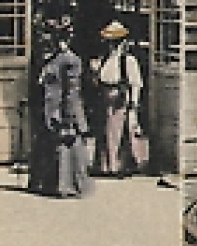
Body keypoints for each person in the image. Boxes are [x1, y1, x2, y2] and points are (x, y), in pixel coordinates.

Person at [37, 23, 93, 198]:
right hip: (51, 108)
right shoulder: (51, 59)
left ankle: (70, 185)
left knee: (68, 147)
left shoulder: (70, 60)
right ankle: (49, 183)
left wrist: (69, 116)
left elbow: (72, 91)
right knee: (51, 147)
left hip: (64, 109)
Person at [93, 19, 145, 176]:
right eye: (110, 42)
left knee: (118, 132)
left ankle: (118, 165)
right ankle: (104, 165)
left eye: (116, 42)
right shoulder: (104, 59)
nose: (112, 45)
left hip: (120, 98)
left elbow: (135, 83)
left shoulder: (128, 61)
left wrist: (133, 103)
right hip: (104, 97)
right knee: (104, 131)